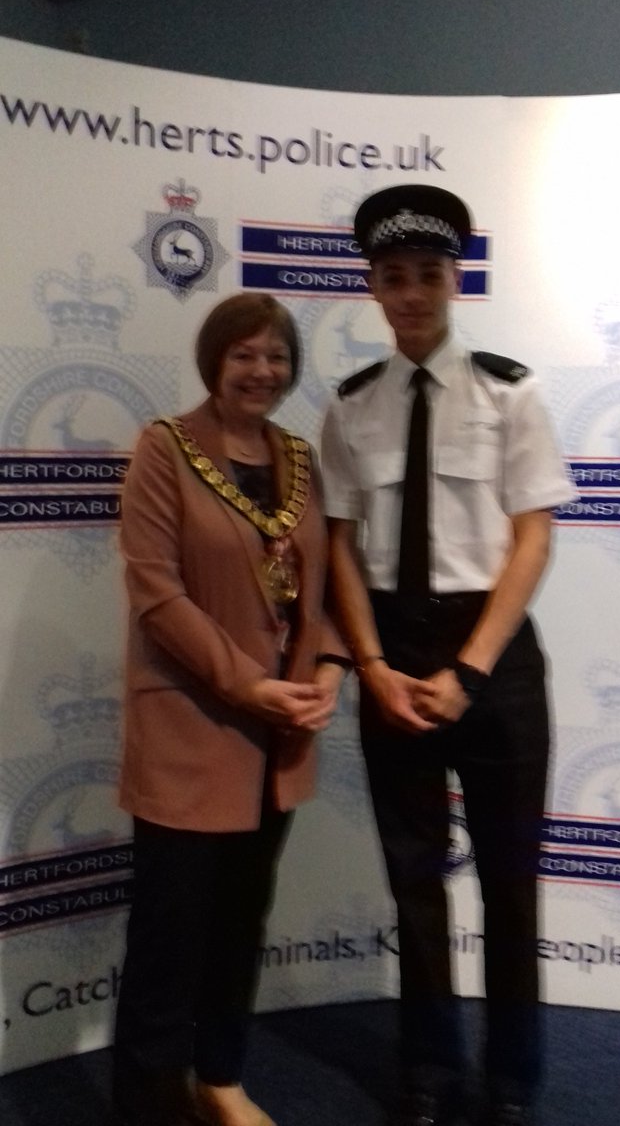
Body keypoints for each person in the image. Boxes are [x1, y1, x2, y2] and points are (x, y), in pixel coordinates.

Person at [320, 185, 576, 1126]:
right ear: (374, 289)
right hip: (392, 651)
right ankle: (427, 1068)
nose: (413, 292)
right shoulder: (349, 408)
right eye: (394, 277)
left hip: (493, 660)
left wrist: (468, 670)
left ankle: (512, 1078)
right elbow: (339, 546)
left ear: (453, 277)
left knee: (509, 879)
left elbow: (533, 537)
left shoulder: (511, 390)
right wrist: (373, 664)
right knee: (413, 877)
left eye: (429, 273)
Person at [113, 292, 348, 1126]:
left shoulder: (297, 457)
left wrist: (326, 663)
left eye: (277, 357)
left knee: (240, 920)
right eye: (244, 355)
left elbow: (315, 582)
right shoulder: (162, 450)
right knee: (169, 934)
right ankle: (146, 1098)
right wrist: (239, 681)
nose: (261, 371)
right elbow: (156, 591)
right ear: (214, 359)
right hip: (189, 726)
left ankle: (220, 1079)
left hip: (277, 737)